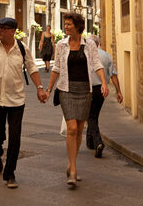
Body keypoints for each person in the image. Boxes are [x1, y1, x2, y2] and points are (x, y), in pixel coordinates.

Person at [0, 17, 47, 189]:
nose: (0, 31)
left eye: (4, 29)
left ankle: (10, 173)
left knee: (15, 138)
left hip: (16, 100)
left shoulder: (22, 48)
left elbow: (32, 69)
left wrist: (40, 88)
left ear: (13, 31)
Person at [44, 12, 108, 187]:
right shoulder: (61, 45)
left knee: (79, 130)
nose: (66, 27)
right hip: (66, 90)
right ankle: (72, 170)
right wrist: (49, 89)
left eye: (69, 24)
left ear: (78, 26)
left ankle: (71, 164)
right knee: (71, 127)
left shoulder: (89, 45)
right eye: (65, 24)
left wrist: (103, 83)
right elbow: (56, 68)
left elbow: (97, 64)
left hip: (85, 91)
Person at [86, 35, 123, 158]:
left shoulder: (86, 54)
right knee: (93, 115)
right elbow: (113, 75)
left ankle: (98, 142)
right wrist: (118, 91)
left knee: (90, 116)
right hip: (102, 90)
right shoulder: (106, 55)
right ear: (98, 44)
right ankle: (90, 142)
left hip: (89, 90)